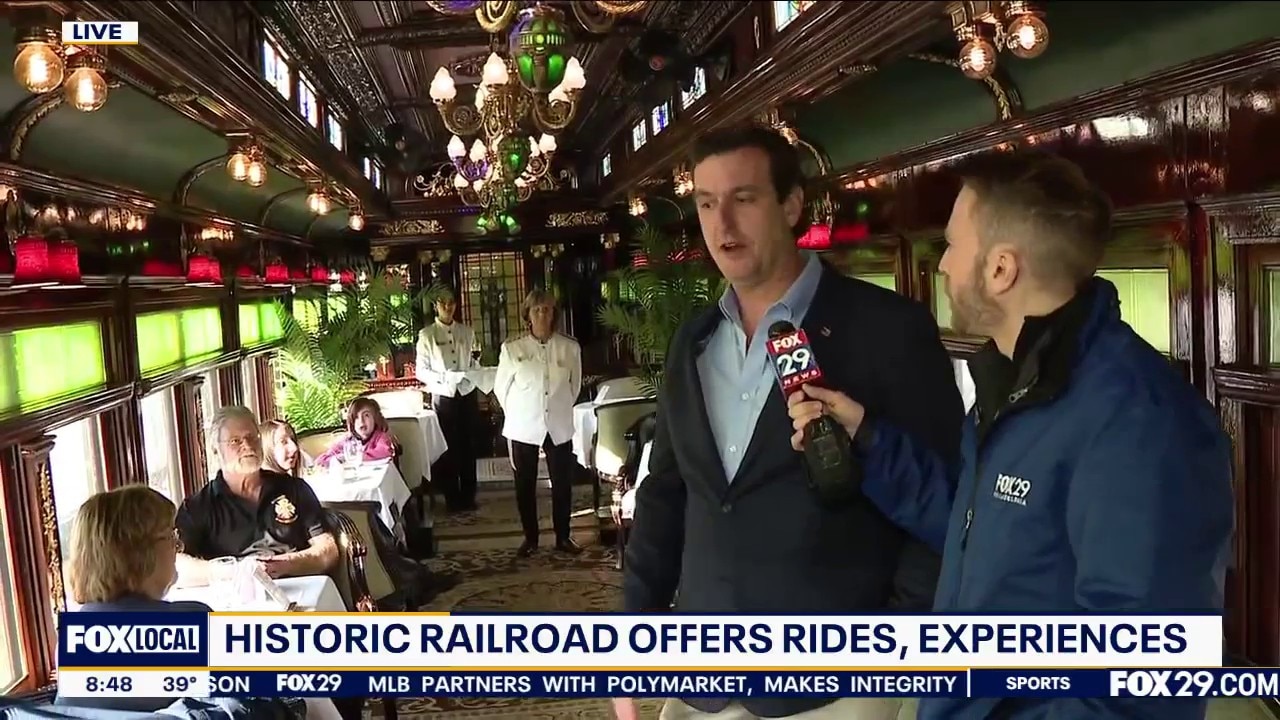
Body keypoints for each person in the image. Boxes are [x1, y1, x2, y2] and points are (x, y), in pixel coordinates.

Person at [786, 151, 1234, 720]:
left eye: (952, 245)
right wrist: (868, 440)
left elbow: (1139, 687)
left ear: (1000, 269)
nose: (942, 266)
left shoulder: (1143, 423)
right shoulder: (1015, 382)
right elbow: (976, 528)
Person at [616, 125, 963, 720]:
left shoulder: (889, 329)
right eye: (707, 204)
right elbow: (666, 495)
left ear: (792, 205)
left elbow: (943, 502)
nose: (722, 224)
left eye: (743, 199)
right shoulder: (692, 342)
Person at [57, 486, 211, 711]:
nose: (179, 546)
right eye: (170, 536)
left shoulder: (70, 639)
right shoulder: (193, 621)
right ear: (140, 551)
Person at [175, 405, 338, 585]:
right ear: (215, 450)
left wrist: (286, 564)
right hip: (238, 594)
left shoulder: (294, 489)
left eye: (252, 437)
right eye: (235, 441)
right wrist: (235, 571)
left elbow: (328, 551)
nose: (247, 446)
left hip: (301, 588)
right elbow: (176, 566)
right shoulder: (197, 507)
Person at [494, 288, 583, 558]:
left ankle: (563, 536)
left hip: (558, 425)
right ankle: (530, 538)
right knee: (525, 484)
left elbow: (575, 386)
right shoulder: (513, 349)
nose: (542, 314)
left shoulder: (569, 347)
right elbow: (501, 390)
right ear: (528, 316)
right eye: (537, 310)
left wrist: (556, 408)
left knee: (562, 484)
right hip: (523, 426)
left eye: (547, 309)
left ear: (554, 314)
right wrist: (521, 413)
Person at [416, 285, 483, 512]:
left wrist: (474, 372)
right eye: (443, 302)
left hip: (466, 393)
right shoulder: (427, 335)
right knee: (448, 448)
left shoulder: (467, 332)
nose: (448, 306)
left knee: (468, 446)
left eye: (451, 302)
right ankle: (452, 498)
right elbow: (421, 371)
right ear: (436, 305)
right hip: (444, 396)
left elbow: (474, 362)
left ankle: (469, 496)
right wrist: (445, 378)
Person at [313, 397, 397, 467]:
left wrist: (356, 457)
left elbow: (384, 453)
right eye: (356, 417)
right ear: (352, 422)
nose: (361, 421)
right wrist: (341, 458)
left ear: (375, 419)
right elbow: (321, 461)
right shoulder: (347, 440)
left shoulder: (380, 437)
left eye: (366, 415)